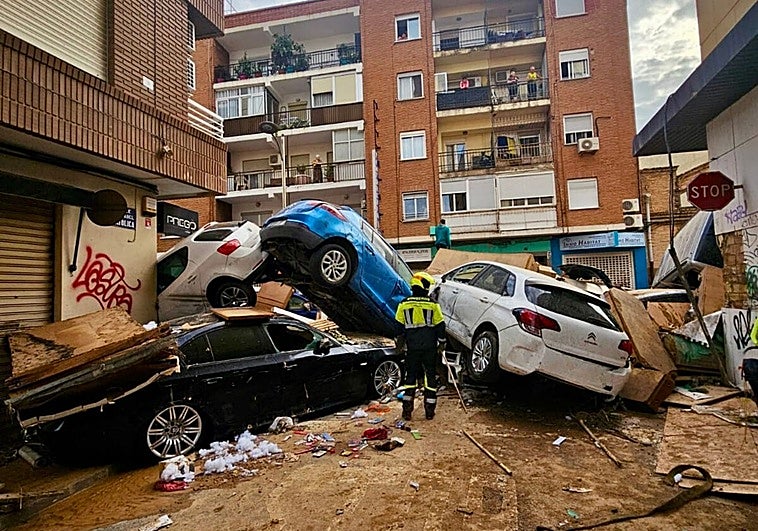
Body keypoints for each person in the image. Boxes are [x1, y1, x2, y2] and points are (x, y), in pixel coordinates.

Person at [395, 272, 446, 421]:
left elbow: (398, 327)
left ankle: (407, 412)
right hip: (429, 348)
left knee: (409, 378)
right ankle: (429, 412)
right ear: (425, 287)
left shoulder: (404, 304)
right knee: (430, 377)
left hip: (412, 348)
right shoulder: (433, 304)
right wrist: (442, 342)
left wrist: (399, 344)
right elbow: (440, 326)